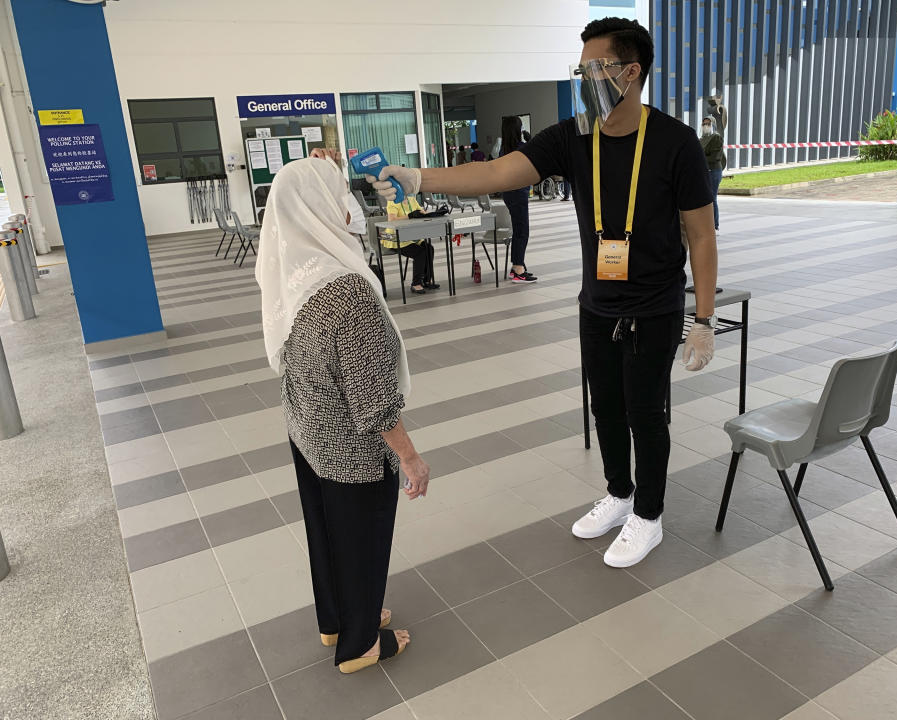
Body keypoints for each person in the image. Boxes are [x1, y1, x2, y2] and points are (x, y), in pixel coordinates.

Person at [366, 17, 717, 569]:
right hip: (597, 304)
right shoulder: (575, 136)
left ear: (631, 72)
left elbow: (700, 233)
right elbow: (500, 174)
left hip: (655, 307)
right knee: (605, 407)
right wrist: (419, 178)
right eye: (579, 70)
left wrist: (702, 318)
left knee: (645, 412)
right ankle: (620, 495)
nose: (585, 79)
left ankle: (648, 515)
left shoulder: (675, 143)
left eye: (593, 68)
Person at [255, 156, 431, 674]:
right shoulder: (345, 291)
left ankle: (335, 619)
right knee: (362, 541)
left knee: (326, 534)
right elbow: (373, 400)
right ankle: (360, 644)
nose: (348, 204)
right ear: (319, 208)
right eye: (338, 195)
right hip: (352, 449)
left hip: (307, 433)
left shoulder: (290, 274)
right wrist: (411, 458)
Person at [500, 116, 538, 283]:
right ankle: (517, 269)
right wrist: (530, 140)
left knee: (519, 229)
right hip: (519, 193)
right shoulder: (521, 147)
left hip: (509, 193)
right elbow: (536, 157)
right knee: (522, 230)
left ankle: (518, 264)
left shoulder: (503, 150)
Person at [700, 116, 725, 231]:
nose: (706, 126)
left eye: (708, 124)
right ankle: (706, 223)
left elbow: (715, 157)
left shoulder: (716, 138)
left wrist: (700, 157)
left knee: (712, 197)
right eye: (704, 124)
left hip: (714, 171)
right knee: (705, 198)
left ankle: (715, 225)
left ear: (713, 125)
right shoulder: (702, 138)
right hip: (704, 171)